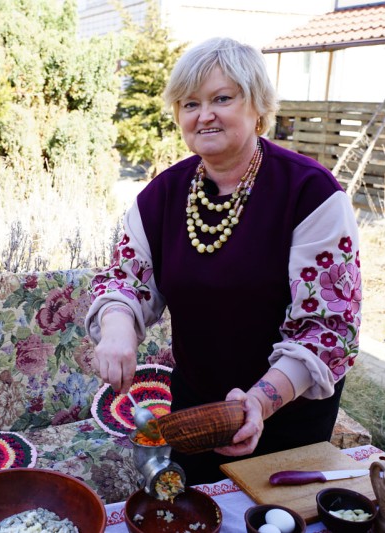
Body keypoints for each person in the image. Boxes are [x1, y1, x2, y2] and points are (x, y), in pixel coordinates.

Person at [84, 37, 362, 485]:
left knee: (275, 514)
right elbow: (125, 280)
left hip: (288, 412)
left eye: (222, 99)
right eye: (190, 103)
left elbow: (328, 330)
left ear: (257, 106)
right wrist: (117, 328)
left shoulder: (311, 194)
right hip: (196, 409)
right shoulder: (162, 195)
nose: (204, 115)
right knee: (197, 509)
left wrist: (260, 401)